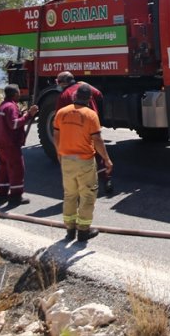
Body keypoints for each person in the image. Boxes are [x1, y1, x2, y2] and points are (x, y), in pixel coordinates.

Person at [53, 83, 113, 243]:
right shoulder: (91, 115)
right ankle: (84, 231)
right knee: (87, 196)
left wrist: (59, 153)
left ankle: (70, 230)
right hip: (84, 161)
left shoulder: (61, 113)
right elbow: (98, 140)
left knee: (69, 195)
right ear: (89, 99)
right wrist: (106, 159)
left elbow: (56, 136)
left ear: (75, 96)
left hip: (66, 159)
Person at [56, 72, 113, 195]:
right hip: (92, 124)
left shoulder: (63, 95)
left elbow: (59, 117)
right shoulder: (85, 87)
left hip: (76, 128)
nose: (58, 85)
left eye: (58, 82)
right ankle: (106, 180)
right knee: (97, 152)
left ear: (63, 82)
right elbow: (99, 95)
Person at [0, 85, 38, 207]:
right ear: (15, 94)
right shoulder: (11, 107)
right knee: (17, 170)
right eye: (18, 93)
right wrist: (29, 115)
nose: (20, 95)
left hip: (0, 144)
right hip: (10, 144)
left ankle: (1, 196)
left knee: (3, 169)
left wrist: (21, 114)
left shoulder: (2, 105)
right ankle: (16, 197)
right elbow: (14, 124)